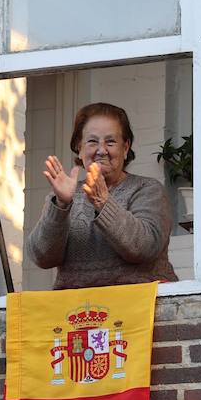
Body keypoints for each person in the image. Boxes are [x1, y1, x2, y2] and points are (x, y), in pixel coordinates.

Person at [25, 102, 177, 289]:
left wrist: (104, 204)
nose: (102, 150)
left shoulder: (147, 189)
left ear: (125, 147)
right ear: (79, 148)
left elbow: (145, 247)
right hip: (77, 312)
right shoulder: (64, 196)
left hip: (140, 309)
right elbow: (41, 257)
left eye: (110, 142)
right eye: (92, 141)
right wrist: (62, 205)